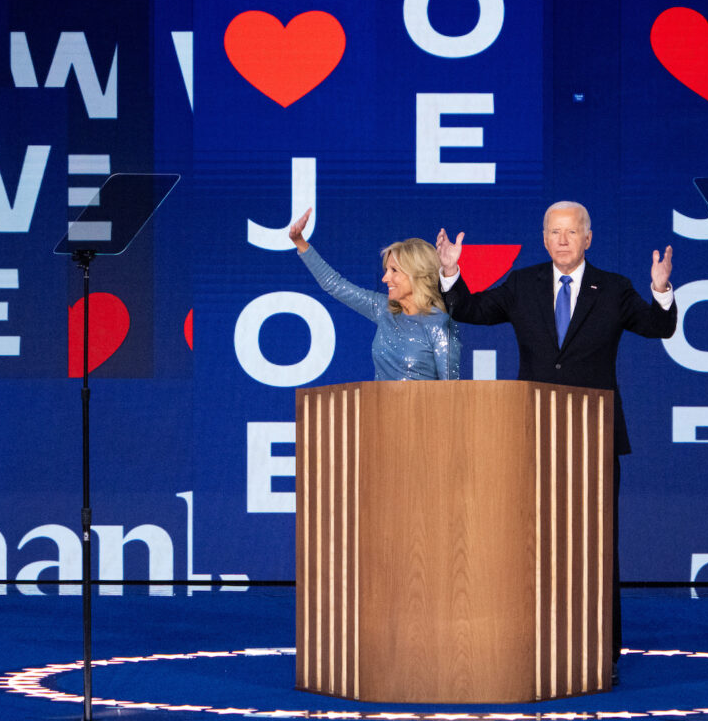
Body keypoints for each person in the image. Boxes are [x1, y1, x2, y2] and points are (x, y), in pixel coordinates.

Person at [435, 200, 675, 675]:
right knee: (531, 539)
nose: (562, 239)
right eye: (553, 231)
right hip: (533, 433)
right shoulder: (524, 284)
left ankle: (600, 647)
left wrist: (661, 289)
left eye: (572, 231)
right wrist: (450, 272)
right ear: (544, 239)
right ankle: (531, 638)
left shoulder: (615, 289)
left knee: (597, 542)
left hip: (594, 435)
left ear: (588, 238)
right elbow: (470, 309)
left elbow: (659, 326)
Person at [288, 208, 461, 381]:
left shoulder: (440, 324)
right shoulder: (383, 309)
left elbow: (451, 390)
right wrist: (300, 241)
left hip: (424, 408)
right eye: (386, 270)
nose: (385, 278)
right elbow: (335, 284)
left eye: (394, 271)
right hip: (378, 406)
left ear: (417, 273)